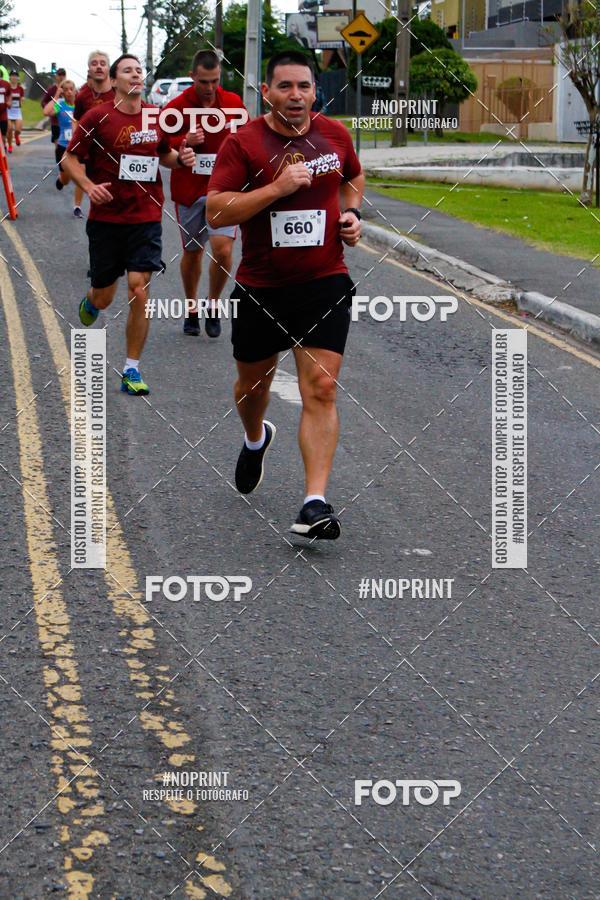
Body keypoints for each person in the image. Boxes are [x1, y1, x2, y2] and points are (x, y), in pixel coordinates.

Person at [207, 50, 364, 540]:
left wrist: (352, 215)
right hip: (261, 288)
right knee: (252, 388)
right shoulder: (245, 142)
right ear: (267, 92)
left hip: (324, 282)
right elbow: (216, 210)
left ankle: (314, 503)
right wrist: (275, 189)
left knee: (320, 388)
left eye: (303, 87)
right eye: (284, 87)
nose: (295, 96)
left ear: (315, 91)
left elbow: (353, 178)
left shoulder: (335, 135)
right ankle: (255, 438)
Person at [61, 54, 195, 396]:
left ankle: (131, 369)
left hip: (145, 216)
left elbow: (164, 154)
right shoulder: (97, 116)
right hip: (106, 219)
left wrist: (180, 159)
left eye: (139, 69)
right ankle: (92, 300)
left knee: (139, 287)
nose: (135, 74)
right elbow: (70, 158)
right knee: (105, 297)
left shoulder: (155, 116)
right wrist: (89, 187)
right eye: (128, 70)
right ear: (116, 81)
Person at [163, 48, 246, 338]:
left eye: (215, 81)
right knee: (192, 252)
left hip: (224, 190)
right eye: (203, 82)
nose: (210, 88)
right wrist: (184, 139)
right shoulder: (175, 107)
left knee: (223, 251)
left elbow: (247, 140)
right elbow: (160, 146)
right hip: (189, 189)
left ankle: (212, 304)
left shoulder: (233, 103)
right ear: (192, 77)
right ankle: (191, 307)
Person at [70, 51, 115, 219]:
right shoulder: (82, 96)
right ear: (88, 69)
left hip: (115, 150)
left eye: (103, 63)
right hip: (91, 152)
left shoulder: (118, 93)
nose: (98, 66)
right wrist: (77, 136)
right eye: (94, 63)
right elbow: (76, 119)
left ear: (109, 69)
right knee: (97, 191)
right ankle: (84, 210)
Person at [43, 80, 78, 207]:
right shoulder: (60, 105)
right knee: (66, 179)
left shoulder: (80, 106)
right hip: (63, 146)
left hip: (78, 146)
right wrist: (57, 95)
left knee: (79, 173)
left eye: (71, 89)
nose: (69, 92)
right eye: (66, 89)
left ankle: (77, 206)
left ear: (75, 90)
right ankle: (60, 179)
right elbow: (46, 112)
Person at [41, 67, 66, 147]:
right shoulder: (51, 89)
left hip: (67, 121)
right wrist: (50, 109)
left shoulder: (69, 88)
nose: (61, 77)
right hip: (56, 121)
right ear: (56, 76)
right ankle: (58, 159)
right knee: (58, 146)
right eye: (59, 75)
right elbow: (43, 102)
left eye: (63, 74)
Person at [7, 70, 23, 152]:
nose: (14, 77)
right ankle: (10, 146)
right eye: (12, 75)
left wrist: (21, 100)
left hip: (17, 111)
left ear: (18, 78)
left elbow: (22, 98)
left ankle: (16, 136)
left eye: (15, 75)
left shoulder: (20, 88)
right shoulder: (7, 87)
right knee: (9, 129)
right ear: (9, 77)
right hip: (8, 111)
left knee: (18, 130)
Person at [0, 73, 11, 148]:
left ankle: (4, 147)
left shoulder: (6, 84)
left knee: (3, 134)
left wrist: (9, 101)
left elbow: (9, 94)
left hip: (3, 113)